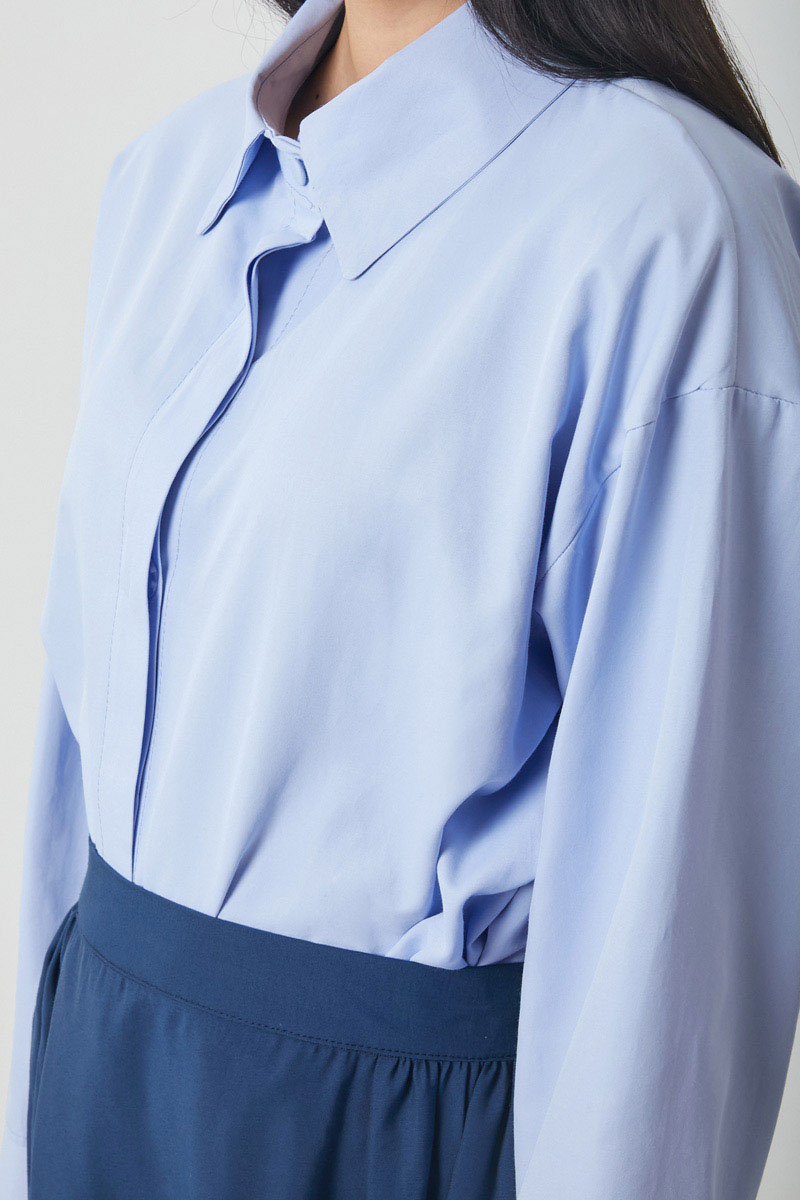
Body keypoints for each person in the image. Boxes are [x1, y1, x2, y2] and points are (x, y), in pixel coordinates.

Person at [3, 0, 800, 1196]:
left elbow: (658, 956)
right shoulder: (168, 177)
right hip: (99, 1085)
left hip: (379, 1143)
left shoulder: (671, 235)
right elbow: (79, 769)